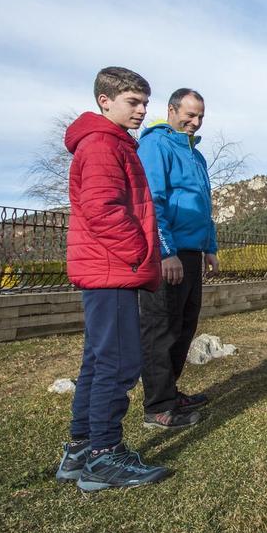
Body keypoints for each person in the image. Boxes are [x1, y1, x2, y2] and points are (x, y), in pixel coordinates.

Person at [55, 67, 169, 491]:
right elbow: (102, 208)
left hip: (106, 269)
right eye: (132, 102)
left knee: (99, 360)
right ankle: (104, 457)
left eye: (144, 103)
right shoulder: (103, 143)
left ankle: (81, 449)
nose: (141, 110)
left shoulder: (110, 142)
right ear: (105, 101)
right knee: (119, 363)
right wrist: (138, 252)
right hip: (112, 270)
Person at [137, 88, 218, 429]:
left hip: (192, 251)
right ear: (171, 110)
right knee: (162, 328)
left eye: (200, 116)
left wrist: (209, 247)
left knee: (185, 324)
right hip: (166, 254)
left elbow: (203, 206)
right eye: (189, 114)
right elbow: (152, 200)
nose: (195, 122)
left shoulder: (196, 156)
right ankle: (157, 406)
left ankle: (170, 391)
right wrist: (165, 252)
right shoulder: (155, 145)